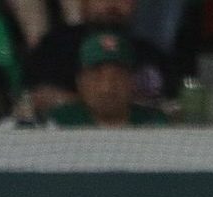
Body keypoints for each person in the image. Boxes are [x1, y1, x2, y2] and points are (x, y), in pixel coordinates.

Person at [22, 0, 172, 116]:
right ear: (83, 2)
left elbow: (168, 107)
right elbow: (40, 98)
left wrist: (77, 102)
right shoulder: (55, 47)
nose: (112, 4)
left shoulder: (150, 53)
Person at [46, 31, 169, 126]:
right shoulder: (60, 123)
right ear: (80, 82)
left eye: (118, 76)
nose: (107, 87)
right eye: (96, 76)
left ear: (132, 81)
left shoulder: (152, 123)